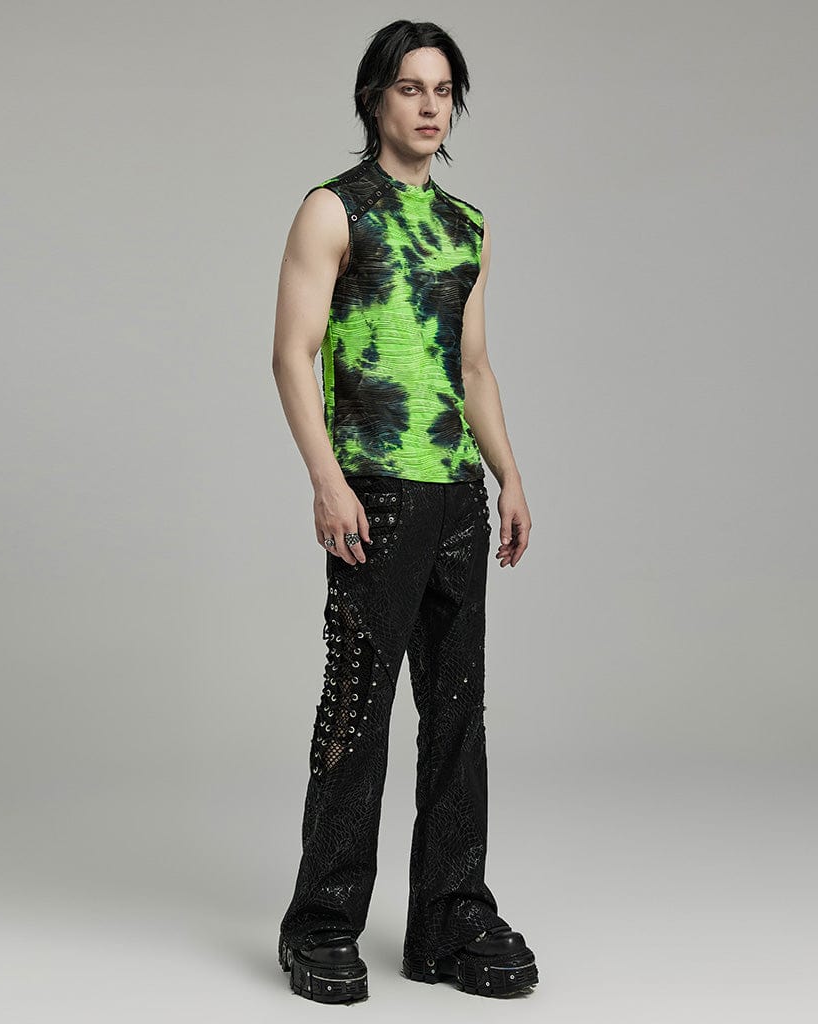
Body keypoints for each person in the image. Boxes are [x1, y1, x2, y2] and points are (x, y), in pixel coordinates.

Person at [270, 19, 537, 1003]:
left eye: (442, 91)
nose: (429, 107)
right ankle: (320, 924)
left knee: (457, 714)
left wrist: (509, 477)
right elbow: (291, 353)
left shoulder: (468, 226)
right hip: (374, 493)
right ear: (374, 98)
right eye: (410, 88)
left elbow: (473, 366)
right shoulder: (334, 210)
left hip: (456, 492)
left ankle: (449, 921)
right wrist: (326, 479)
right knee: (359, 707)